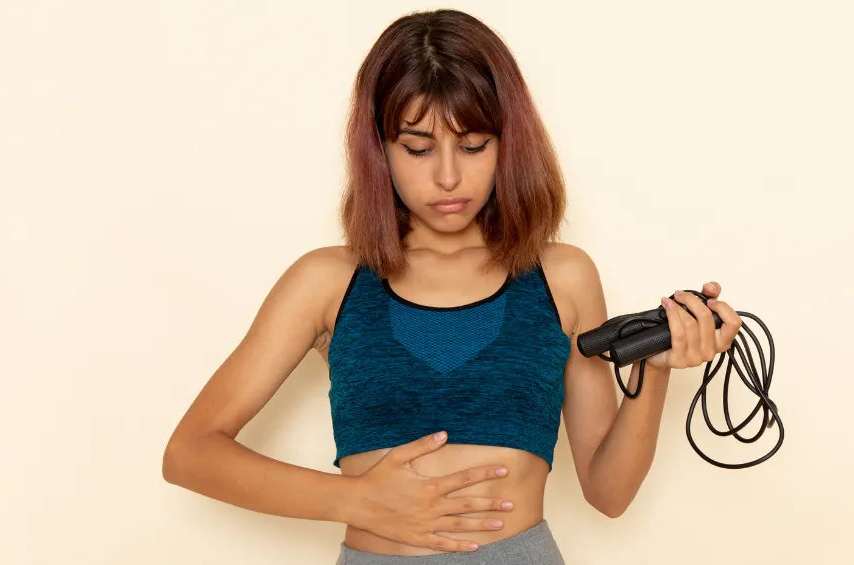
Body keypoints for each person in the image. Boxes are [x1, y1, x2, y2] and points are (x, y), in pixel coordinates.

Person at [162, 8, 740, 565]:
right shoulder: (326, 281)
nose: (447, 176)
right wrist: (355, 499)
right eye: (417, 148)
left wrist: (653, 370)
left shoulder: (562, 277)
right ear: (378, 149)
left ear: (508, 143)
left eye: (473, 145)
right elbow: (190, 452)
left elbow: (608, 494)